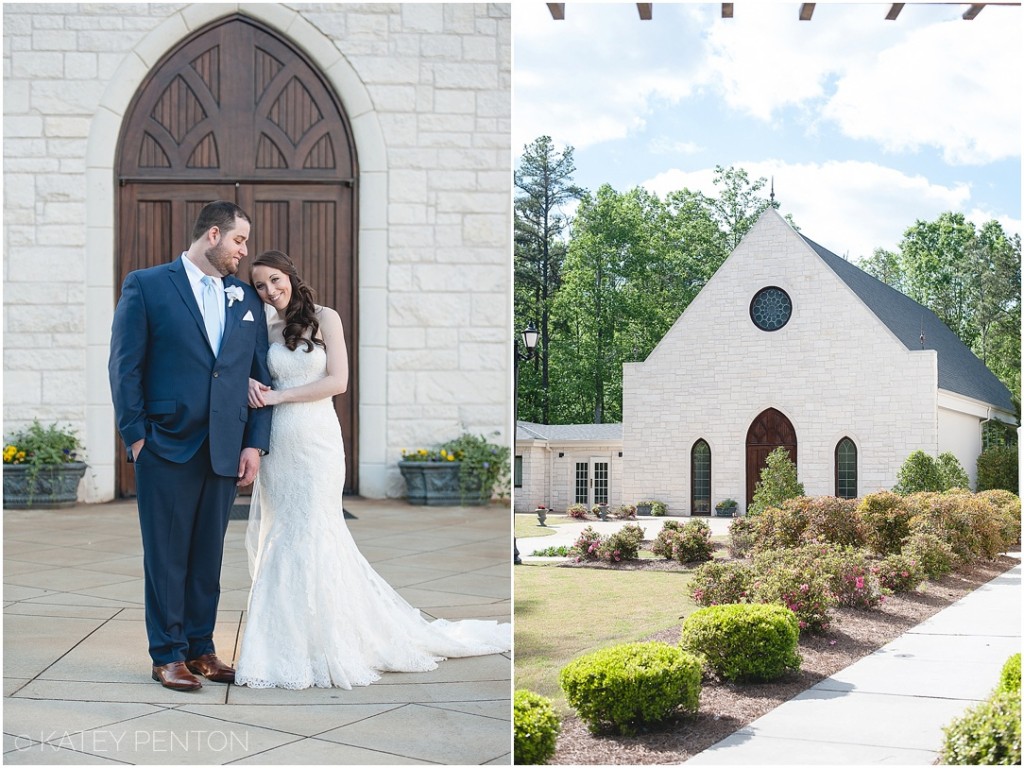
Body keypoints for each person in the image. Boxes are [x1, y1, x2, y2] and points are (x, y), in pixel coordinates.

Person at [236, 250, 511, 689]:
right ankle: (283, 645)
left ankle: (334, 640)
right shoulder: (260, 328)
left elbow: (337, 382)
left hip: (316, 439)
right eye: (261, 286)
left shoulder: (326, 318)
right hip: (279, 446)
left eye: (275, 280)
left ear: (290, 273)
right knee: (282, 532)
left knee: (316, 530)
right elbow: (249, 377)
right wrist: (251, 387)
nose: (270, 290)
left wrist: (277, 397)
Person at [108, 201, 273, 692]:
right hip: (165, 444)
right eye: (240, 241)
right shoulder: (148, 284)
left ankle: (202, 649)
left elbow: (258, 376)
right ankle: (167, 654)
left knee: (207, 557)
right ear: (214, 235)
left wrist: (254, 445)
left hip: (225, 447)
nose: (245, 252)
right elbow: (124, 367)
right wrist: (137, 437)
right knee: (166, 555)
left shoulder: (245, 299)